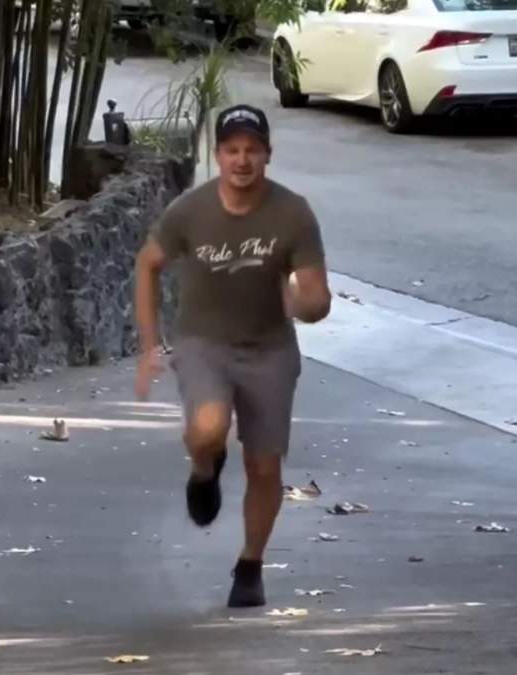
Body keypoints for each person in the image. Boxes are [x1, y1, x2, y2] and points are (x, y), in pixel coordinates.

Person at [133, 103, 332, 608]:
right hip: (204, 344)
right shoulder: (191, 210)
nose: (242, 160)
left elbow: (316, 296)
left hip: (270, 351)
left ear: (267, 155)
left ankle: (250, 565)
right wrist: (148, 347)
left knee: (265, 467)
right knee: (206, 426)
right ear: (218, 155)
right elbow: (148, 264)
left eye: (252, 150)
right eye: (232, 150)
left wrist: (305, 304)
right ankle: (206, 468)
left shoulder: (292, 213)